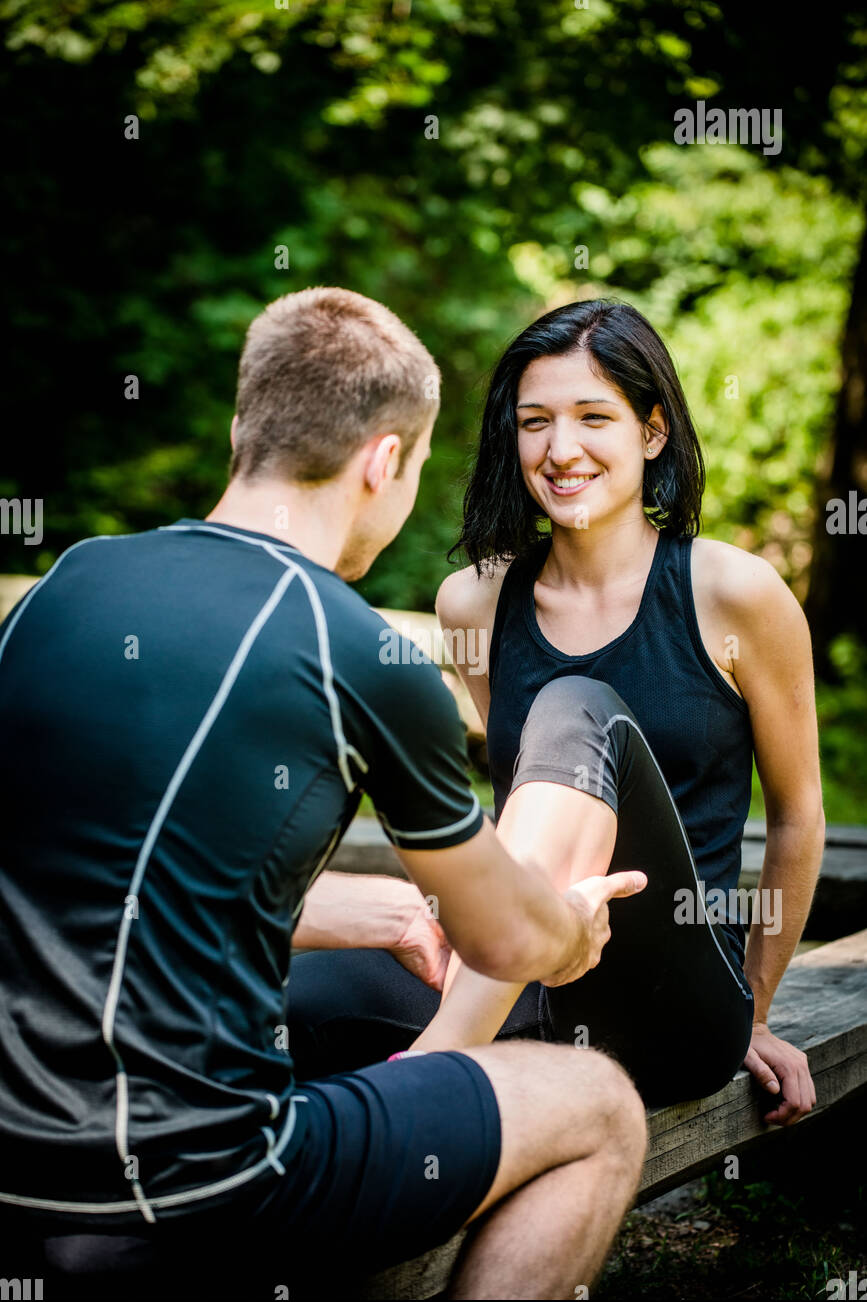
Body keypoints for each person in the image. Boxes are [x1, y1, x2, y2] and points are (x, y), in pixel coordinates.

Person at [0, 287, 649, 1302]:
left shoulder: (65, 588)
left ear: (240, 430)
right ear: (384, 461)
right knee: (599, 1106)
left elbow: (116, 870)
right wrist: (567, 928)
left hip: (22, 1170)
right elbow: (509, 943)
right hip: (202, 1188)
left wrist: (372, 907)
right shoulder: (358, 647)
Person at [287, 298, 825, 1123]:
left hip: (663, 1001)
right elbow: (535, 803)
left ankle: (435, 1065)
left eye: (592, 417)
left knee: (574, 707)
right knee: (291, 995)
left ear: (651, 432)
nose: (559, 449)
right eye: (534, 421)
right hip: (522, 978)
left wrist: (748, 1008)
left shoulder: (735, 594)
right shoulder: (474, 602)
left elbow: (796, 817)